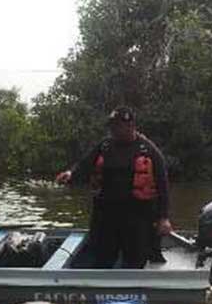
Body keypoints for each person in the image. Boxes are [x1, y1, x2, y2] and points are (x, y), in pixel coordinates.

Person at [55, 107, 172, 269]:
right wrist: (70, 174)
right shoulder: (105, 145)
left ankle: (131, 291)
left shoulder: (149, 150)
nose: (113, 130)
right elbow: (84, 164)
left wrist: (163, 218)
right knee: (102, 257)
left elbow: (163, 186)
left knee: (135, 260)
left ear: (130, 126)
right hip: (105, 215)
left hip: (137, 215)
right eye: (112, 126)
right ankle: (101, 289)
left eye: (117, 126)